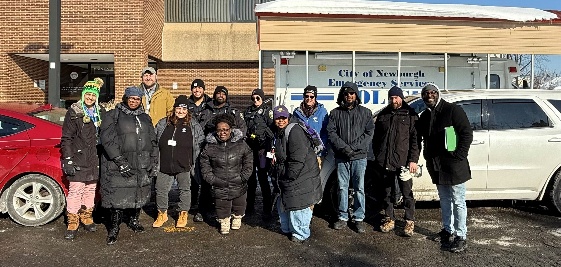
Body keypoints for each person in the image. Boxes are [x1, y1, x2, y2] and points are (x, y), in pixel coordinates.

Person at [417, 83, 473, 253]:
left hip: (454, 165)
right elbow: (418, 137)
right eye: (426, 93)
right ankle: (447, 231)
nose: (429, 96)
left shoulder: (452, 110)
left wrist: (459, 155)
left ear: (438, 94)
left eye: (433, 92)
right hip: (436, 166)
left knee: (458, 201)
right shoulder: (425, 116)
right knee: (444, 200)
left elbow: (466, 133)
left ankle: (461, 235)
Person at [100, 86, 158, 245]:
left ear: (141, 100)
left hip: (141, 164)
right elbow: (107, 139)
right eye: (131, 98)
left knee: (137, 195)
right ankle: (114, 228)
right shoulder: (114, 114)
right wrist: (119, 161)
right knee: (118, 198)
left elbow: (153, 140)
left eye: (137, 99)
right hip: (121, 164)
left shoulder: (145, 117)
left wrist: (154, 160)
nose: (134, 101)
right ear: (126, 98)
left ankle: (133, 220)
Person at [269, 105, 322, 243]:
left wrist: (289, 176)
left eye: (283, 117)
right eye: (277, 118)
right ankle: (290, 229)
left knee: (299, 206)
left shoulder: (294, 131)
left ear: (288, 117)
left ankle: (300, 233)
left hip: (301, 176)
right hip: (289, 175)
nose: (281, 120)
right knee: (287, 203)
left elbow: (298, 158)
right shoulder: (278, 132)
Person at [327, 81, 375, 233]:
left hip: (359, 157)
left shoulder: (366, 113)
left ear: (356, 95)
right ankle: (342, 217)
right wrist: (345, 148)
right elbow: (332, 134)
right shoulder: (335, 113)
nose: (349, 96)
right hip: (342, 157)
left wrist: (352, 148)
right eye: (346, 93)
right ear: (342, 95)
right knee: (342, 188)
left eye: (352, 93)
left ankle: (359, 218)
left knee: (359, 188)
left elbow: (368, 134)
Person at [372, 86, 420, 237]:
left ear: (401, 97)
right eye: (391, 98)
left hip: (404, 162)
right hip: (385, 161)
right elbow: (376, 138)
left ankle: (409, 221)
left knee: (406, 192)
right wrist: (378, 155)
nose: (394, 100)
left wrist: (413, 160)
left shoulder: (411, 115)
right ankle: (389, 218)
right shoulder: (383, 114)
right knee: (387, 192)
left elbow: (416, 140)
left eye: (396, 97)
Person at [60, 78, 104, 240]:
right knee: (76, 190)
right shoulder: (74, 112)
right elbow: (67, 138)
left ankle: (87, 217)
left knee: (90, 189)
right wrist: (68, 159)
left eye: (93, 95)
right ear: (83, 94)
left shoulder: (99, 111)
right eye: (88, 94)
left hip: (93, 159)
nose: (90, 97)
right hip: (79, 158)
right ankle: (72, 221)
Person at [152, 95, 204, 228]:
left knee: (185, 189)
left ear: (187, 110)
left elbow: (200, 141)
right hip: (164, 163)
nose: (180, 111)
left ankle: (183, 213)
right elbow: (154, 140)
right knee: (161, 189)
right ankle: (162, 213)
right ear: (174, 108)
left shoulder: (193, 124)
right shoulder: (164, 123)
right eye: (178, 108)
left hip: (184, 164)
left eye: (183, 108)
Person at [199, 114, 253, 235]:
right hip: (219, 183)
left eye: (225, 130)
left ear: (231, 130)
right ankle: (224, 221)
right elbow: (205, 167)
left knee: (239, 202)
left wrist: (242, 177)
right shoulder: (209, 147)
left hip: (238, 181)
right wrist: (214, 180)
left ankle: (237, 218)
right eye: (219, 130)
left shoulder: (241, 144)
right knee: (222, 205)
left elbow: (248, 162)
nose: (222, 132)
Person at [243, 88, 274, 217]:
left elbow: (273, 130)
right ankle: (249, 207)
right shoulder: (247, 112)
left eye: (258, 98)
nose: (255, 100)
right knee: (250, 180)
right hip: (250, 150)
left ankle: (267, 210)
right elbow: (243, 128)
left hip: (263, 150)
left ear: (262, 98)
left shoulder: (267, 112)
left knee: (263, 179)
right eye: (253, 98)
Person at [187, 79, 213, 223]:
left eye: (199, 88)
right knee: (192, 178)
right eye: (194, 88)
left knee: (206, 177)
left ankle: (204, 208)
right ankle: (191, 204)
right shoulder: (186, 103)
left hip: (207, 145)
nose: (197, 91)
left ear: (203, 89)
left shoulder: (210, 103)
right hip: (190, 146)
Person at [292, 85, 329, 167]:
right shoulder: (296, 113)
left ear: (315, 98)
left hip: (317, 153)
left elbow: (326, 132)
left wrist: (321, 145)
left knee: (316, 178)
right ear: (303, 97)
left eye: (312, 97)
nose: (309, 99)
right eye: (306, 96)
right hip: (301, 153)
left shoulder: (322, 112)